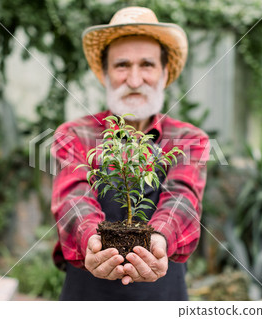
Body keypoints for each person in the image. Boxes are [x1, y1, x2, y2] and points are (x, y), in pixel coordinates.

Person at [51, 6, 209, 301]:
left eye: (147, 65)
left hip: (163, 295)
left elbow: (182, 198)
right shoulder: (75, 134)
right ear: (106, 73)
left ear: (164, 72)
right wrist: (92, 239)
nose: (134, 80)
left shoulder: (189, 139)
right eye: (122, 65)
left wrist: (159, 239)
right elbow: (72, 199)